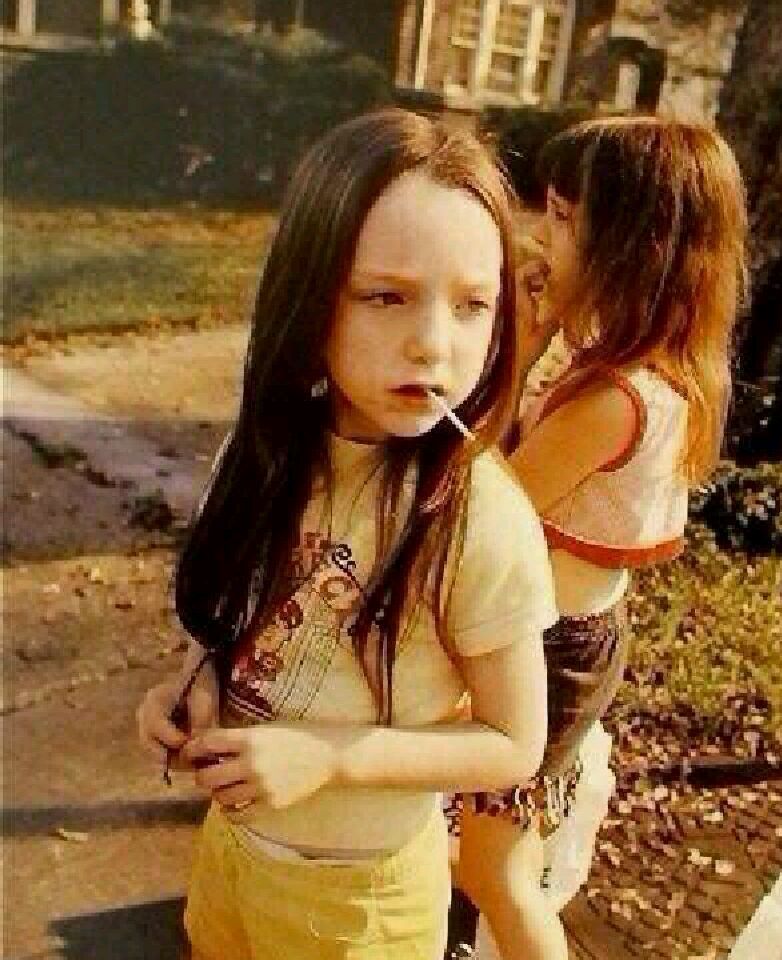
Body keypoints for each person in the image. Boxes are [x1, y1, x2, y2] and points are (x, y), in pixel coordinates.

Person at [135, 108, 559, 960]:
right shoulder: (259, 457)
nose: (433, 344)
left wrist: (330, 757)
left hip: (361, 910)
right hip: (232, 861)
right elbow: (237, 620)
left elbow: (514, 744)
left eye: (472, 305)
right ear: (308, 294)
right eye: (385, 296)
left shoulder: (478, 517)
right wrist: (192, 688)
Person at [447, 116, 748, 960]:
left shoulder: (615, 400)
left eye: (561, 218)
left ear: (626, 246)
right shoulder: (647, 369)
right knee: (494, 853)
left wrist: (523, 342)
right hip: (564, 634)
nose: (540, 236)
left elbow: (479, 505)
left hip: (546, 651)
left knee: (496, 871)